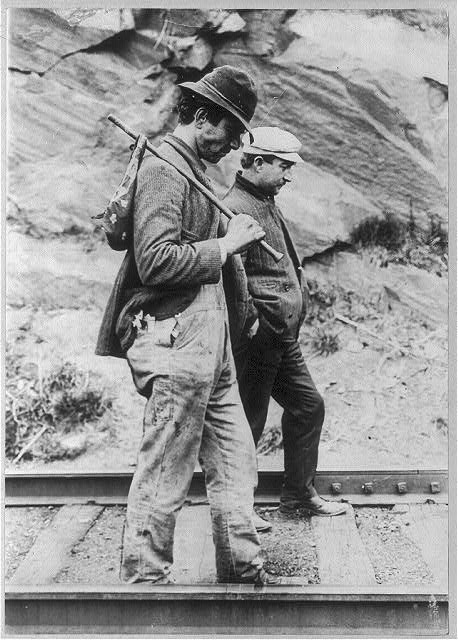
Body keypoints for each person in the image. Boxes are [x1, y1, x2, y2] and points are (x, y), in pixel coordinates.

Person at [96, 67, 280, 585]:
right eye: (231, 132)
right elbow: (155, 261)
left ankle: (242, 572)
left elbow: (218, 267)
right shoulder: (164, 168)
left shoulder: (198, 169)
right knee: (166, 469)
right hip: (175, 335)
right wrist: (226, 245)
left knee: (237, 461)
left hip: (209, 338)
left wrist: (240, 315)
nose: (234, 147)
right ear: (202, 118)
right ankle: (146, 584)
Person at [223, 126, 347, 518]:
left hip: (279, 337)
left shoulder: (263, 197)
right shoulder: (234, 207)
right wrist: (254, 324)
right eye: (284, 166)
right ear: (257, 163)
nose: (289, 175)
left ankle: (297, 497)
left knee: (308, 407)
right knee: (249, 426)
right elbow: (233, 279)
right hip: (259, 339)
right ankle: (237, 514)